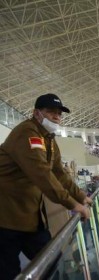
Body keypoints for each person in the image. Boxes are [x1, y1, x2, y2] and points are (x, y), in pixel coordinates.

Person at [0, 93, 92, 280]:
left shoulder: (48, 138)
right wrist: (74, 205)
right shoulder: (27, 133)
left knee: (52, 264)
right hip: (5, 219)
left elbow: (59, 173)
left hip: (30, 217)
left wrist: (81, 196)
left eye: (59, 113)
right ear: (36, 113)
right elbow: (42, 173)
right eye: (51, 112)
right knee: (9, 272)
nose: (56, 116)